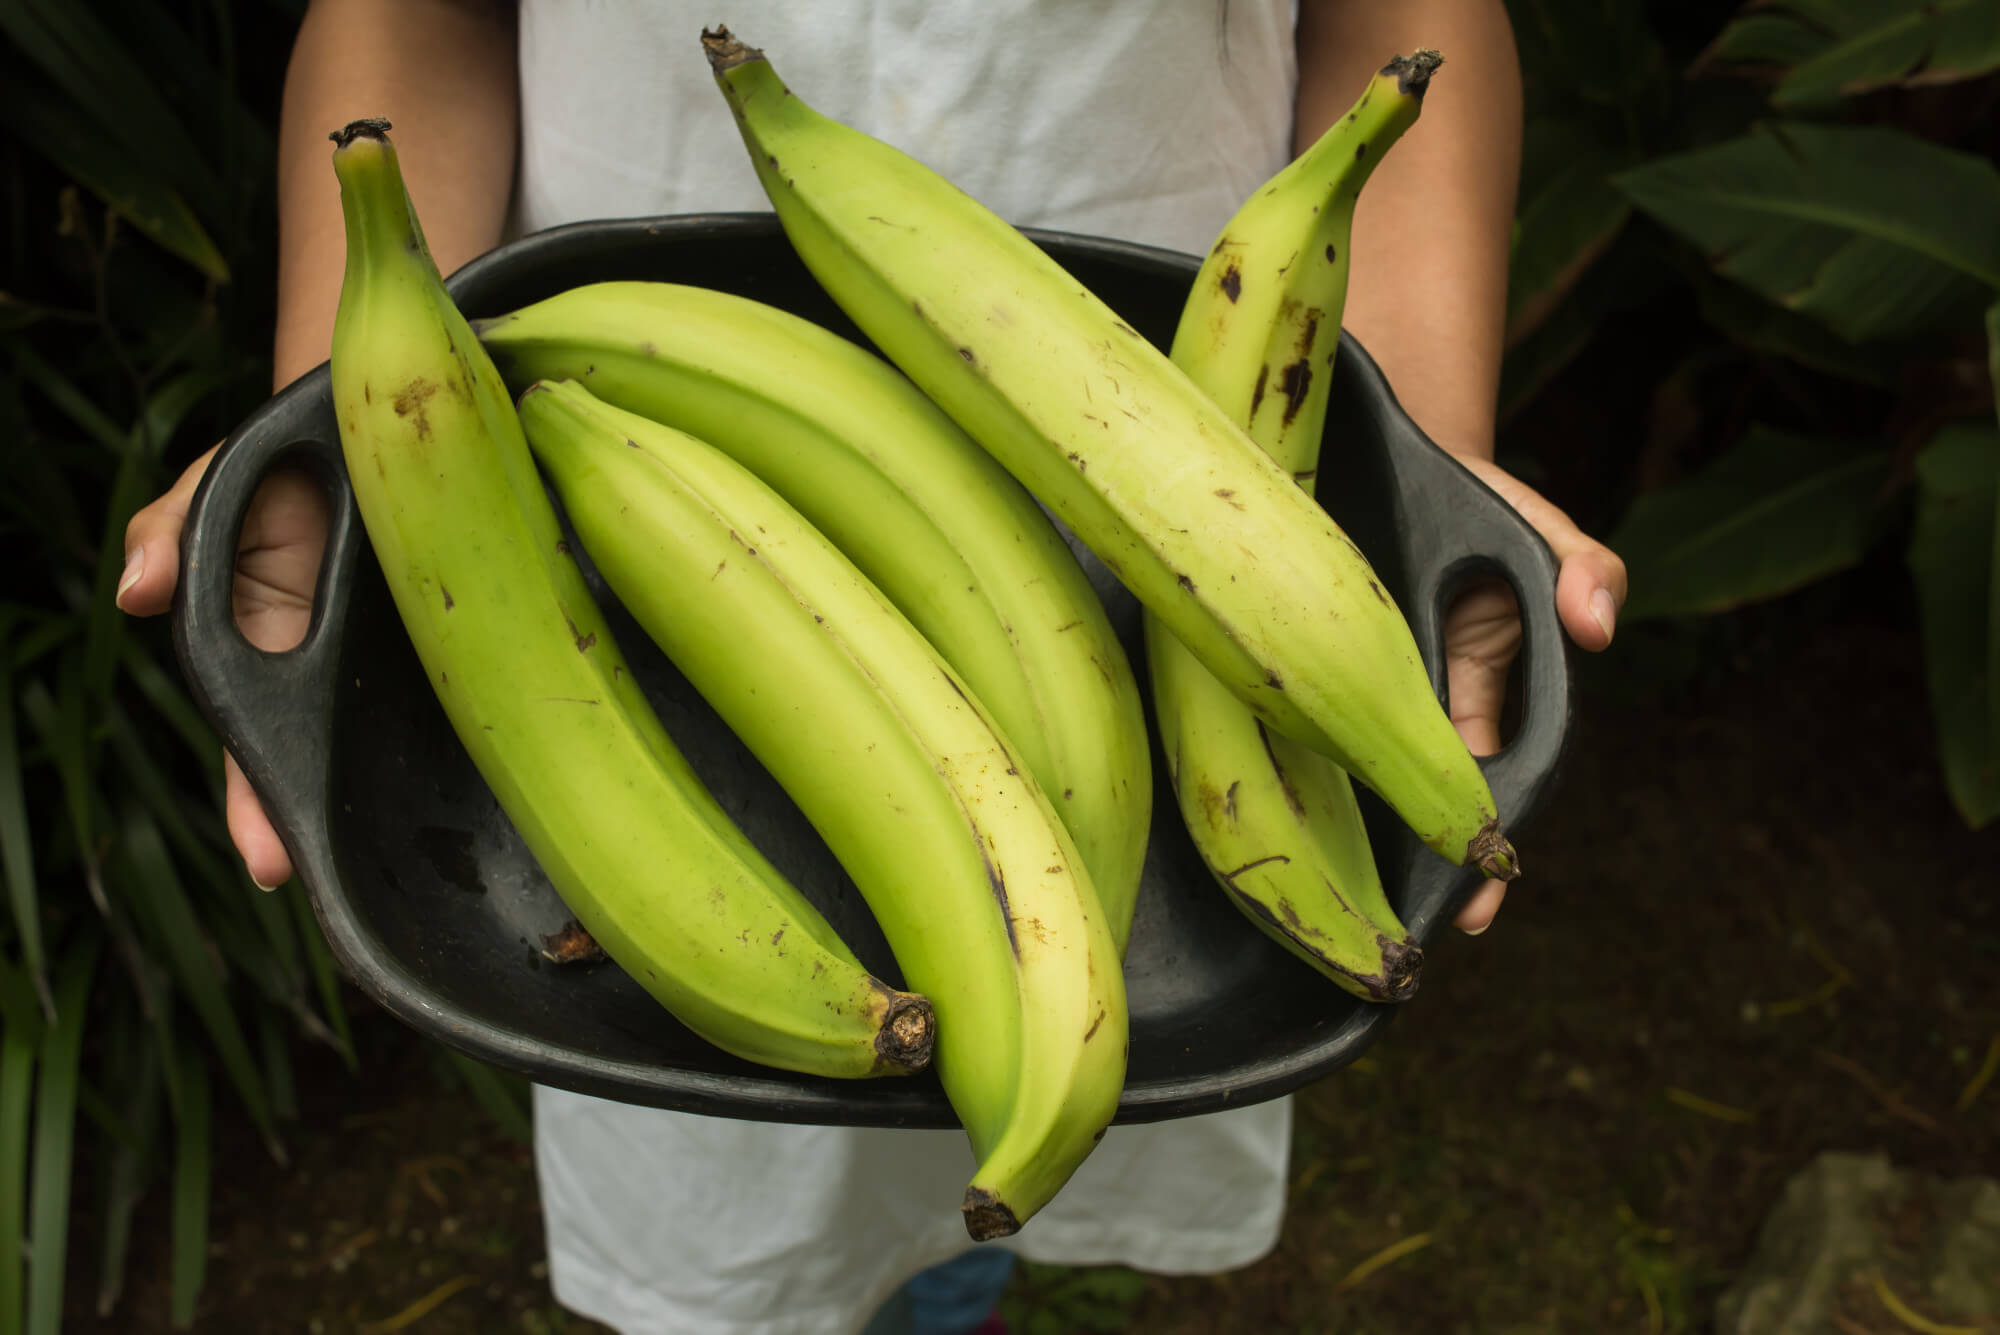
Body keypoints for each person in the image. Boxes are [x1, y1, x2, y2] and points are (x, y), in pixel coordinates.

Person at [116, 2, 1628, 1332]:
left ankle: (960, 1278)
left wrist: (1420, 477)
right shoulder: (600, 430)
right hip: (609, 412)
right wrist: (360, 413)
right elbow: (413, 19)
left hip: (1169, 417)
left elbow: (1407, 18)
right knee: (749, 1164)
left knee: (1069, 1037)